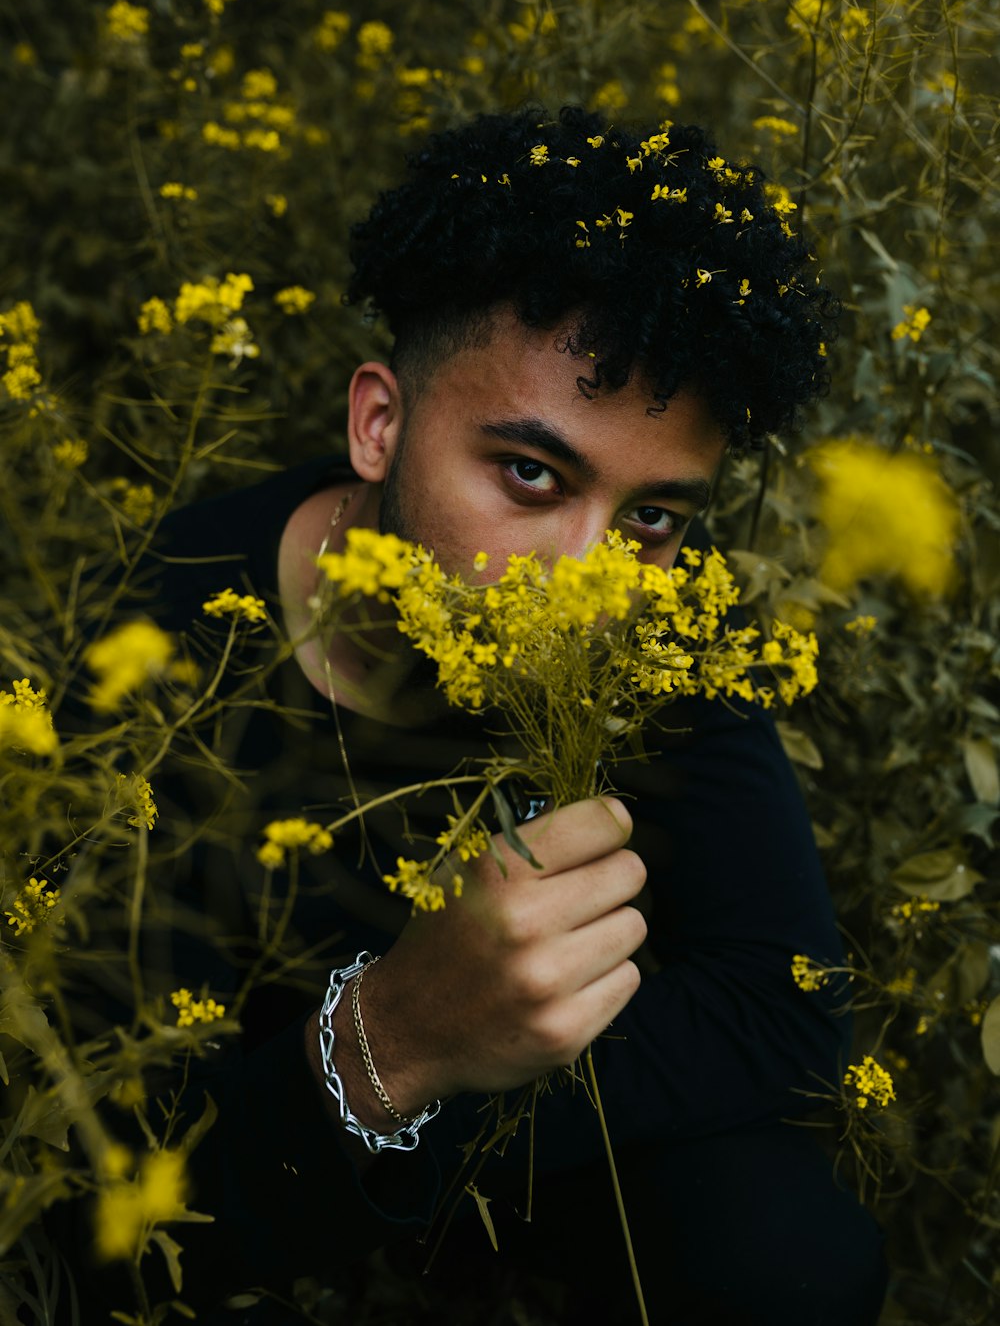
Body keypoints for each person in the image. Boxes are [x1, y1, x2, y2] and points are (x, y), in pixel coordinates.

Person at [59, 107, 888, 1324]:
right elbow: (100, 1207)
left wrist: (442, 1109)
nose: (588, 579)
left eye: (654, 518)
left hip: (351, 1156)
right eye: (531, 475)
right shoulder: (163, 652)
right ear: (380, 424)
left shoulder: (652, 628)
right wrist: (389, 1042)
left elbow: (790, 1003)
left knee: (786, 1253)